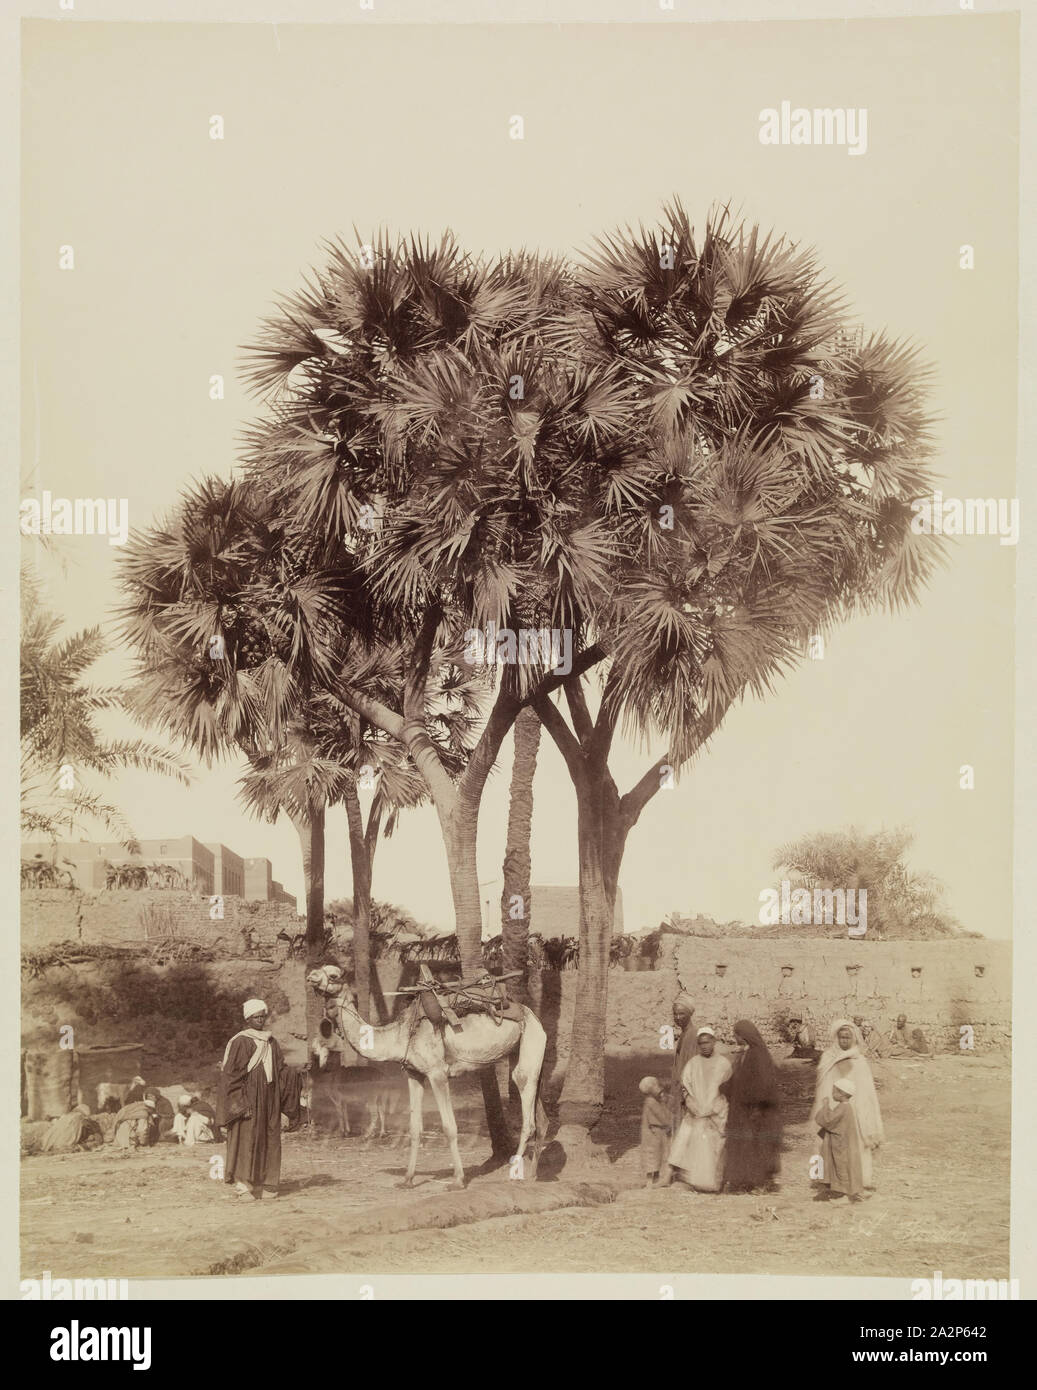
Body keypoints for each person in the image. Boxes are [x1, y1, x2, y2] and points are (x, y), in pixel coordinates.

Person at [216, 998, 303, 1201]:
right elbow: (231, 1076)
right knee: (245, 1139)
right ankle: (243, 1185)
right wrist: (239, 1103)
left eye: (263, 1016)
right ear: (248, 1019)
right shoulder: (240, 1041)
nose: (260, 1020)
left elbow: (280, 1069)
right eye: (256, 1017)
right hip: (248, 1099)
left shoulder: (271, 1041)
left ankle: (269, 1183)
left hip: (270, 1098)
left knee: (270, 1138)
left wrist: (295, 1074)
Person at [810, 1019, 884, 1189]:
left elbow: (866, 1091)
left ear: (854, 1038)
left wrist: (861, 1111)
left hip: (851, 1109)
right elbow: (823, 1084)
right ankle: (823, 1179)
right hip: (830, 1107)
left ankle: (857, 1180)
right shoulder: (828, 1057)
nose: (844, 1041)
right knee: (824, 1143)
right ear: (836, 1038)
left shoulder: (859, 1060)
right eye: (841, 1037)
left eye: (847, 1038)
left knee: (851, 1146)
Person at [667, 1026, 732, 1193]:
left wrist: (715, 1109)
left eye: (707, 1042)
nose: (704, 1046)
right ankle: (695, 1181)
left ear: (714, 1042)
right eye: (701, 1043)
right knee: (693, 1142)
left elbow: (728, 1090)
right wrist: (691, 1102)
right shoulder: (693, 1063)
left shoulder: (724, 1064)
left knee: (714, 1146)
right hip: (696, 1111)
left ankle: (714, 1183)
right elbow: (685, 1086)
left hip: (716, 1112)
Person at [722, 1020, 782, 1193]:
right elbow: (739, 1080)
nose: (735, 1037)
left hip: (756, 1111)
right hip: (744, 1109)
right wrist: (724, 1087)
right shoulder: (747, 1054)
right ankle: (745, 1181)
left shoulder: (758, 1055)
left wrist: (756, 1107)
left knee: (757, 1146)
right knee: (746, 1145)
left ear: (744, 1036)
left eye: (737, 1034)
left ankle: (760, 1183)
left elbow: (763, 1084)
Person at [814, 1078, 866, 1202]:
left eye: (834, 1092)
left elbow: (828, 1120)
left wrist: (825, 1106)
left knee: (841, 1165)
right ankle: (839, 1190)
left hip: (841, 1143)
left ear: (842, 1094)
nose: (832, 1094)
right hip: (842, 1141)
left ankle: (843, 1194)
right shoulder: (845, 1107)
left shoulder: (843, 1108)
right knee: (840, 1164)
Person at [638, 1077, 672, 1188]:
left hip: (657, 1132)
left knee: (659, 1154)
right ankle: (649, 1181)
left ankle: (656, 1178)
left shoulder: (653, 1101)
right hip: (653, 1133)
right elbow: (660, 1115)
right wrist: (669, 1123)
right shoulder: (651, 1102)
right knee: (652, 1155)